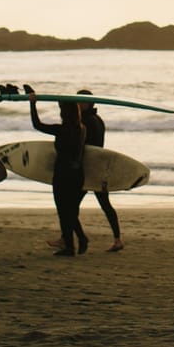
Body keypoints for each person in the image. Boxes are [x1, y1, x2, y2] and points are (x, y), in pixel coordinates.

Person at [26, 86, 88, 257]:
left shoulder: (61, 130)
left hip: (63, 175)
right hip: (77, 174)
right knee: (70, 211)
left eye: (61, 110)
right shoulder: (82, 129)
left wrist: (33, 104)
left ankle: (73, 245)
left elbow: (37, 125)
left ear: (64, 114)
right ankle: (78, 241)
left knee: (64, 211)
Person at [76, 92, 124, 252]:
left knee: (71, 207)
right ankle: (117, 240)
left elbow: (86, 147)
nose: (78, 105)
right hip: (98, 168)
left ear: (89, 104)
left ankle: (75, 238)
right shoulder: (97, 119)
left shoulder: (87, 121)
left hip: (89, 169)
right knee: (104, 204)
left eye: (81, 102)